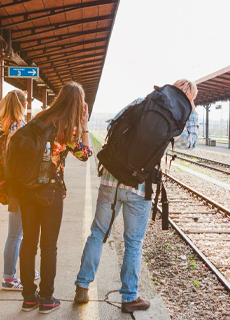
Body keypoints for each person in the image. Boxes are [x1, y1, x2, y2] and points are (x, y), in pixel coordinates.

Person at [74, 79, 198, 313]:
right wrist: (192, 114)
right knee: (133, 242)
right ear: (189, 99)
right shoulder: (179, 119)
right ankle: (129, 297)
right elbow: (190, 143)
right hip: (139, 186)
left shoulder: (143, 102)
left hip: (111, 177)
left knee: (98, 233)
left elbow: (115, 122)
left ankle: (82, 286)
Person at [19, 82, 92, 314]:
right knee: (48, 246)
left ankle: (29, 297)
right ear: (78, 105)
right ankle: (47, 299)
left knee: (28, 243)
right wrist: (84, 126)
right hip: (51, 193)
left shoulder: (40, 118)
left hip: (27, 189)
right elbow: (85, 155)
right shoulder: (68, 128)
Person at [0, 90, 40, 291]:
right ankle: (8, 278)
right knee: (15, 234)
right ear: (23, 106)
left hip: (14, 184)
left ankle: (22, 271)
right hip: (20, 186)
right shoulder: (20, 127)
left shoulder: (7, 125)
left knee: (17, 233)